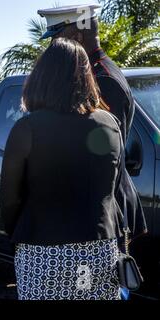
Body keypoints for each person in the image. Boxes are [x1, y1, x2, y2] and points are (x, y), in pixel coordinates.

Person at [0, 38, 123, 300]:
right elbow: (114, 189)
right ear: (87, 78)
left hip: (43, 250)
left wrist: (19, 233)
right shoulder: (109, 123)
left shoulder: (27, 128)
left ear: (41, 78)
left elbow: (9, 198)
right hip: (100, 248)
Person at [37, 4, 147, 240]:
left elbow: (101, 155)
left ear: (76, 37)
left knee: (98, 279)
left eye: (57, 37)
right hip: (96, 210)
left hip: (105, 214)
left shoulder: (103, 81)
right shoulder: (95, 74)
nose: (53, 46)